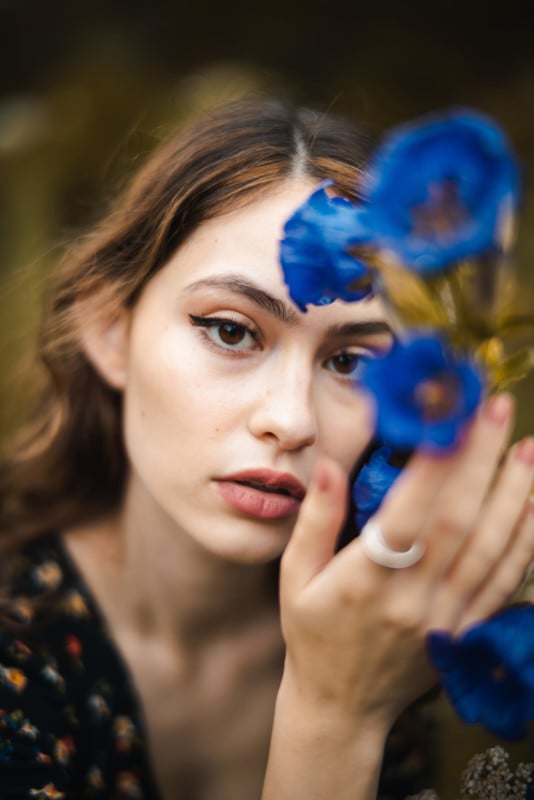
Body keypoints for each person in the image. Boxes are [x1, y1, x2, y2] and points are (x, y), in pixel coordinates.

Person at [0, 96, 533, 800]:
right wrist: (334, 717)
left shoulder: (375, 638)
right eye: (230, 330)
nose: (290, 420)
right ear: (109, 329)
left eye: (352, 362)